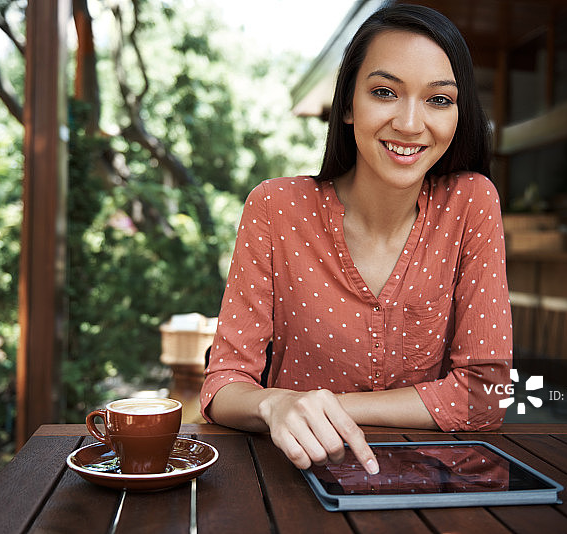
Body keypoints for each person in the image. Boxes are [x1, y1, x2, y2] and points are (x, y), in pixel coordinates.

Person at [200, 4, 512, 476]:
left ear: (458, 113)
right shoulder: (276, 207)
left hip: (429, 487)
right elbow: (223, 383)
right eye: (385, 92)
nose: (410, 123)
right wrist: (273, 407)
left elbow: (485, 395)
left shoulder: (470, 204)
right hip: (291, 479)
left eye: (438, 99)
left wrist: (316, 406)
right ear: (347, 104)